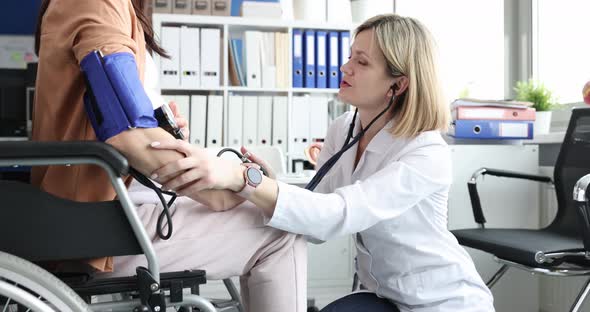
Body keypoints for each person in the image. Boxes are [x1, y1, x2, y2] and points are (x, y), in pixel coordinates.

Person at [149, 14, 496, 312]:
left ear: (398, 84)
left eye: (362, 62)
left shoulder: (426, 152)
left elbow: (336, 215)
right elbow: (314, 222)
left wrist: (246, 180)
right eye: (350, 57)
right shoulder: (344, 128)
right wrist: (267, 184)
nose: (345, 68)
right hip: (385, 297)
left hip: (441, 301)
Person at [32, 1, 307, 311]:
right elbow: (129, 131)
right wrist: (222, 193)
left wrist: (162, 128)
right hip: (94, 223)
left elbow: (117, 116)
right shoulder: (98, 3)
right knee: (281, 234)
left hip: (105, 206)